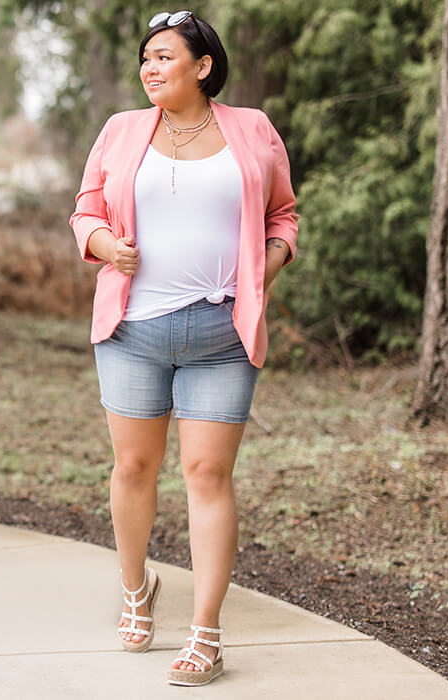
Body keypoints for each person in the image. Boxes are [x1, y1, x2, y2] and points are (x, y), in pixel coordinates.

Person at [67, 9, 299, 687]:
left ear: (203, 67)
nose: (151, 68)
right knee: (134, 469)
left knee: (207, 477)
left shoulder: (252, 129)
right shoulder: (121, 131)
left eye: (165, 57)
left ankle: (206, 635)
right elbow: (85, 209)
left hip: (222, 333)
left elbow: (283, 213)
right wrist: (106, 244)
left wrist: (270, 262)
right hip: (133, 332)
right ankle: (137, 588)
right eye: (146, 58)